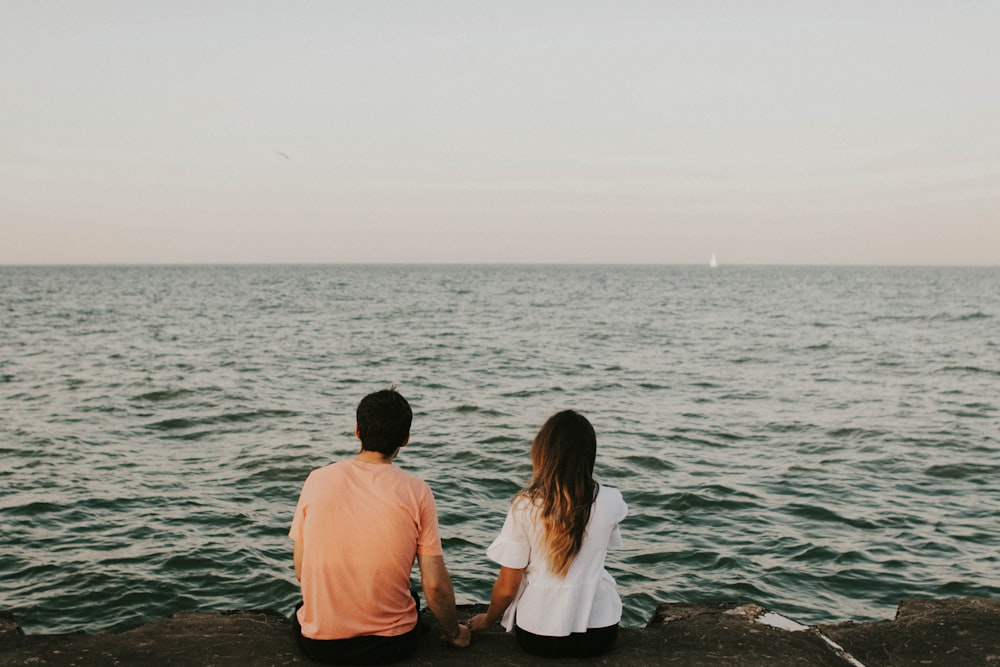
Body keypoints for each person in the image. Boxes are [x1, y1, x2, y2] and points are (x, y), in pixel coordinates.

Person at [289, 388, 471, 665]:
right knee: (410, 597)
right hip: (392, 645)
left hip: (321, 645)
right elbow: (433, 585)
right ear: (406, 439)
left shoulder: (317, 479)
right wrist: (455, 633)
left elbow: (302, 572)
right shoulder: (418, 491)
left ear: (357, 432)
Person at [467, 410, 628, 657]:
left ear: (543, 451)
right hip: (600, 632)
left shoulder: (525, 506)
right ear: (588, 454)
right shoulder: (611, 500)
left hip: (539, 635)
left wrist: (489, 619)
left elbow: (508, 586)